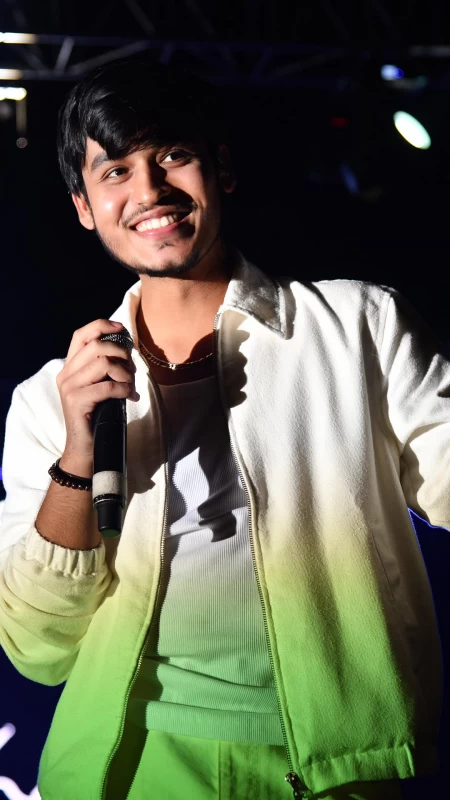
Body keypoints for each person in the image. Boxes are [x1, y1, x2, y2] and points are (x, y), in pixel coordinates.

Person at [0, 57, 448, 800]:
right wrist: (78, 454)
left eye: (173, 155)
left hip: (329, 767)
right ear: (83, 205)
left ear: (223, 169)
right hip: (127, 768)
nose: (150, 191)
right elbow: (36, 647)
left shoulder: (357, 329)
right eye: (116, 171)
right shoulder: (51, 398)